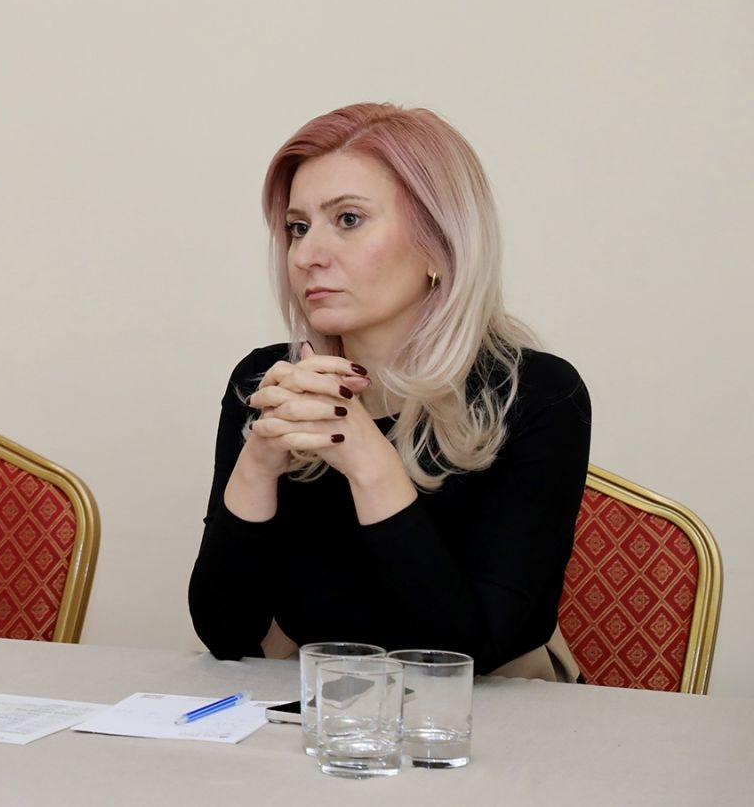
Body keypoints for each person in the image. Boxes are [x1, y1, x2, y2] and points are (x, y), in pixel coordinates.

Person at [188, 103, 590, 679]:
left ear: (438, 244)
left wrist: (368, 462)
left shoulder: (537, 395)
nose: (306, 256)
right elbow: (225, 635)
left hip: (492, 709)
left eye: (348, 219)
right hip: (325, 703)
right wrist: (257, 464)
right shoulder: (266, 383)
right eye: (298, 228)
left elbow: (463, 654)